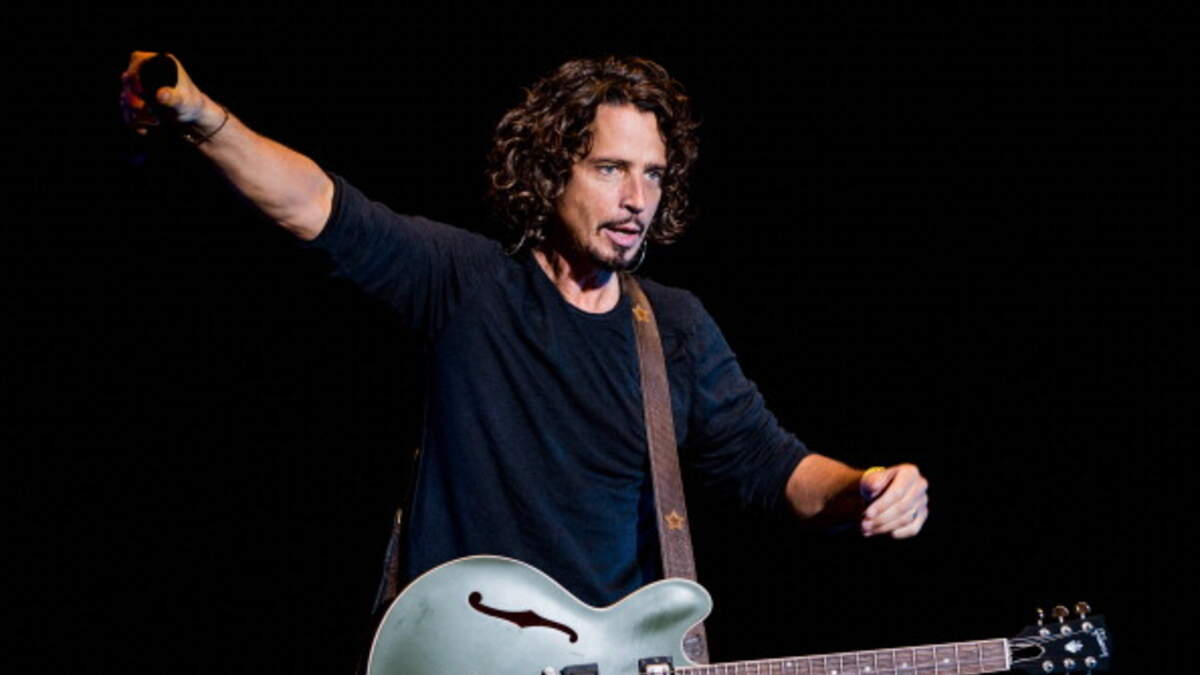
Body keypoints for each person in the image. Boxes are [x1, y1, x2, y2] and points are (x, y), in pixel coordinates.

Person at [119, 50, 929, 624]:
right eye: (610, 168)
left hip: (610, 653)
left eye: (652, 173)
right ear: (550, 171)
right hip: (463, 648)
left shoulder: (674, 328)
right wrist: (204, 118)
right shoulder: (466, 283)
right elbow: (320, 208)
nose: (637, 198)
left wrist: (864, 483)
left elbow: (773, 465)